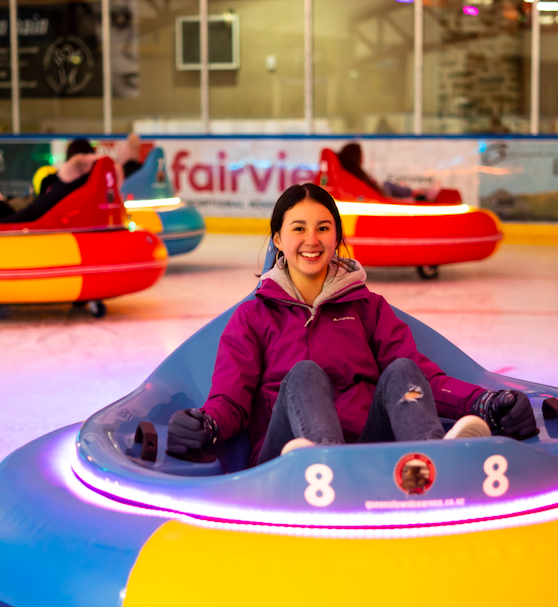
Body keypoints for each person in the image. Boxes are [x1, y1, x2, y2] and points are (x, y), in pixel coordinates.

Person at [165, 183, 537, 466]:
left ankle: (432, 461)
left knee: (402, 369)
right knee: (305, 374)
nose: (312, 240)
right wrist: (206, 425)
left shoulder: (368, 309)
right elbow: (231, 400)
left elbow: (422, 382)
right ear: (278, 239)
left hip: (367, 452)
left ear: (337, 237)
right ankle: (326, 463)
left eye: (323, 228)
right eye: (298, 228)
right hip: (285, 461)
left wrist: (485, 402)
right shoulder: (254, 317)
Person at [0, 134, 144, 227]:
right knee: (0, 204)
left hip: (29, 213)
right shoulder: (89, 183)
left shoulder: (69, 179)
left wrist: (1, 225)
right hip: (32, 207)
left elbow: (36, 210)